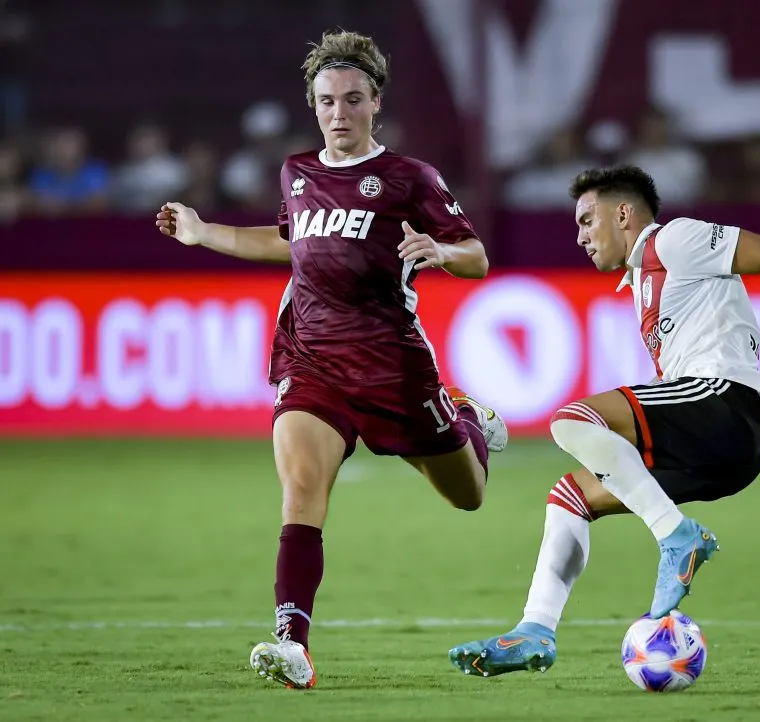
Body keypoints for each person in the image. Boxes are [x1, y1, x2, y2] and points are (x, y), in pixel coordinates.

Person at [449, 165, 760, 677]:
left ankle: (677, 536)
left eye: (586, 220)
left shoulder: (676, 240)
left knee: (573, 420)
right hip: (724, 456)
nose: (579, 236)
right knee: (570, 496)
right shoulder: (644, 279)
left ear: (622, 213)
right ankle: (536, 630)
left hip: (728, 404)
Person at [155, 29, 507, 689]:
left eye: (351, 100)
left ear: (375, 102)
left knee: (469, 497)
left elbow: (477, 256)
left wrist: (441, 253)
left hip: (393, 369)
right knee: (301, 490)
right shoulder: (296, 172)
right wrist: (205, 233)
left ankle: (463, 417)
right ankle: (294, 643)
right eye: (326, 101)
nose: (338, 113)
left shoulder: (411, 179)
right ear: (312, 106)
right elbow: (288, 244)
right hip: (311, 361)